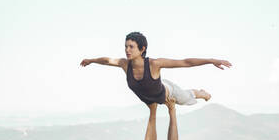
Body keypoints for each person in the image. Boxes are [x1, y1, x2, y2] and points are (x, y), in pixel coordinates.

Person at [80, 31, 232, 107]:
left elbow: (185, 62)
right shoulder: (124, 64)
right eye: (126, 46)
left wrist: (212, 61)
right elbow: (106, 60)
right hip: (152, 93)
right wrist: (91, 61)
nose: (127, 50)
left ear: (142, 49)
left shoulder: (154, 64)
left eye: (131, 47)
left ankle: (201, 92)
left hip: (167, 92)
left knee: (186, 97)